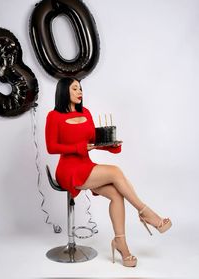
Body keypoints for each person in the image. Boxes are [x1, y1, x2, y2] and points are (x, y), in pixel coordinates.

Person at [45, 77, 172, 267]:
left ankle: (121, 244)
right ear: (64, 91)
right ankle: (146, 213)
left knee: (116, 195)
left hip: (86, 166)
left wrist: (111, 145)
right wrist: (79, 147)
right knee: (115, 172)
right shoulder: (54, 116)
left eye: (80, 88)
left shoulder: (86, 112)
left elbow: (92, 141)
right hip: (68, 170)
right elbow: (51, 147)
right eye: (75, 88)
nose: (80, 92)